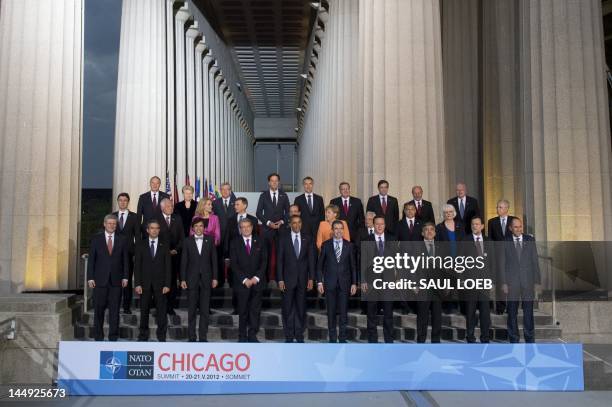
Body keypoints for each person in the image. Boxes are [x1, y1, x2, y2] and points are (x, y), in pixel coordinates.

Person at [87, 214, 129, 341]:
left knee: (114, 311)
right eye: (109, 223)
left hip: (116, 281)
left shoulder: (122, 240)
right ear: (104, 224)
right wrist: (90, 277)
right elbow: (92, 260)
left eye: (114, 224)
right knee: (98, 310)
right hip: (100, 281)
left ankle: (113, 337)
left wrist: (126, 277)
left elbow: (125, 260)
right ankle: (98, 337)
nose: (112, 225)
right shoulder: (96, 239)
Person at [317, 221, 357, 343]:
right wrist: (319, 282)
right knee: (331, 312)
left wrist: (354, 283)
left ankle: (343, 337)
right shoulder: (326, 245)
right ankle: (333, 338)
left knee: (344, 313)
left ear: (343, 230)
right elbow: (319, 266)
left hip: (345, 284)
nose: (338, 231)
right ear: (332, 230)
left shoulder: (349, 246)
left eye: (341, 228)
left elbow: (353, 267)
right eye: (336, 228)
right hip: (330, 284)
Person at [502, 218, 541, 343]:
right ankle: (514, 338)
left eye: (520, 227)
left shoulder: (530, 240)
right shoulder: (505, 242)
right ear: (510, 228)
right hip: (512, 283)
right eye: (515, 227)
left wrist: (537, 282)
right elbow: (502, 264)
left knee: (528, 312)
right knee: (512, 312)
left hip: (528, 282)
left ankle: (529, 338)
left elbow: (535, 261)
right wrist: (504, 283)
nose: (518, 229)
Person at [277, 215, 316, 343]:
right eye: (294, 223)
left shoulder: (308, 238)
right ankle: (288, 335)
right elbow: (280, 261)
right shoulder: (283, 239)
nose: (297, 225)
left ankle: (299, 334)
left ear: (301, 223)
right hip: (287, 280)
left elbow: (311, 260)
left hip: (303, 279)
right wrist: (280, 279)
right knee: (287, 308)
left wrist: (311, 278)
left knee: (301, 308)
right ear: (290, 224)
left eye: (299, 222)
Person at [180, 218, 218, 342]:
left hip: (207, 279)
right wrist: (183, 279)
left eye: (201, 226)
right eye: (196, 226)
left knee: (205, 310)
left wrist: (215, 277)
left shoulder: (210, 240)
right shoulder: (187, 241)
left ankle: (203, 337)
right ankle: (191, 337)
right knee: (191, 310)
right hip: (191, 279)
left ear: (204, 227)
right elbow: (184, 261)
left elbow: (214, 260)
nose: (198, 228)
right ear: (192, 228)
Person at [230, 218, 268, 342]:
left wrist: (256, 278)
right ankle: (242, 336)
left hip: (257, 282)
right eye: (243, 227)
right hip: (242, 284)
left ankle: (252, 335)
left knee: (255, 311)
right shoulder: (234, 242)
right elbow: (234, 264)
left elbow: (264, 262)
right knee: (243, 311)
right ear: (240, 229)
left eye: (248, 226)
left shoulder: (261, 241)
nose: (245, 229)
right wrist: (245, 279)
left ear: (252, 227)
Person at [134, 219, 171, 342]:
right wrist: (137, 283)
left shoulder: (165, 245)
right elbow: (137, 266)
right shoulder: (141, 244)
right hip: (144, 284)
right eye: (152, 228)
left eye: (157, 228)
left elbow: (168, 266)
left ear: (159, 230)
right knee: (144, 310)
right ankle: (143, 335)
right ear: (147, 230)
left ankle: (162, 335)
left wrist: (167, 284)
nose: (154, 230)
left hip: (161, 285)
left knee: (161, 311)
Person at [361, 216, 396, 343]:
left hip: (388, 281)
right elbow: (363, 261)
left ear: (385, 225)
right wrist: (363, 280)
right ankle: (372, 340)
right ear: (373, 225)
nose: (379, 226)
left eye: (382, 224)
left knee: (388, 313)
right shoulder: (366, 240)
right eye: (377, 224)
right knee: (371, 313)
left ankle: (389, 339)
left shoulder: (392, 240)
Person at [459, 216, 493, 343]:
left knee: (485, 311)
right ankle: (470, 337)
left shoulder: (488, 241)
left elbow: (492, 263)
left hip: (484, 282)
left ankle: (485, 337)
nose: (475, 226)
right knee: (470, 310)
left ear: (482, 226)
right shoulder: (465, 240)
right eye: (473, 224)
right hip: (470, 281)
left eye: (477, 224)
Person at [224, 197, 258, 314]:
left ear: (244, 205)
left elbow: (257, 239)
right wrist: (227, 256)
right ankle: (236, 308)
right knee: (236, 283)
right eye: (235, 204)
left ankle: (249, 307)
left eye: (237, 204)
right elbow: (227, 238)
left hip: (250, 257)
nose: (235, 206)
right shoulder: (230, 219)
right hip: (235, 257)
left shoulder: (253, 219)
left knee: (250, 285)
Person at [414, 223, 446, 343]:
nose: (429, 232)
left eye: (432, 230)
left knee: (437, 317)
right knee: (422, 317)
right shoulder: (416, 247)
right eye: (426, 230)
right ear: (422, 233)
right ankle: (421, 342)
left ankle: (435, 342)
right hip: (422, 287)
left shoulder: (441, 247)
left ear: (435, 233)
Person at [256, 172, 290, 282]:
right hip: (267, 230)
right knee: (266, 256)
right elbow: (258, 213)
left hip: (281, 230)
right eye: (272, 181)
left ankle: (280, 279)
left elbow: (288, 212)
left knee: (282, 255)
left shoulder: (284, 195)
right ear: (269, 182)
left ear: (279, 182)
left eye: (276, 181)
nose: (274, 183)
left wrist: (281, 221)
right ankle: (265, 280)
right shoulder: (263, 195)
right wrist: (269, 223)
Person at [487, 199, 516, 314]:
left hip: (512, 255)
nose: (498, 209)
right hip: (498, 256)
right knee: (500, 281)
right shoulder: (492, 222)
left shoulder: (514, 220)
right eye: (497, 207)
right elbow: (490, 240)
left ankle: (511, 307)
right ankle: (500, 307)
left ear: (507, 209)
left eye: (500, 207)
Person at [157, 199, 185, 315]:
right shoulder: (155, 219)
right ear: (162, 207)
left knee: (172, 281)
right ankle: (160, 306)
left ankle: (170, 306)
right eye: (168, 206)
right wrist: (164, 251)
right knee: (160, 281)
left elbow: (182, 238)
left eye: (172, 206)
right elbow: (153, 237)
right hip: (160, 256)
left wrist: (176, 249)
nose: (171, 207)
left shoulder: (177, 218)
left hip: (174, 256)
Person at [436, 204, 464, 314]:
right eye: (446, 212)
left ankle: (460, 306)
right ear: (443, 214)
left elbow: (464, 243)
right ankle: (448, 306)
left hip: (459, 258)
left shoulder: (460, 226)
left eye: (450, 212)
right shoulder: (439, 227)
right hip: (445, 259)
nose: (448, 214)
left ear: (454, 213)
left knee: (459, 283)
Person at [113, 193, 138, 314]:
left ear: (128, 202)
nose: (122, 202)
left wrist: (136, 253)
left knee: (127, 280)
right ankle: (115, 305)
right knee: (114, 280)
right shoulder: (112, 216)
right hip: (114, 254)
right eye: (120, 200)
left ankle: (126, 307)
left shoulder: (134, 217)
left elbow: (138, 236)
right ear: (117, 201)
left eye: (125, 200)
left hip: (129, 253)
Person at [212, 182, 236, 287]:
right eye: (223, 189)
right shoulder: (215, 203)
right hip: (219, 236)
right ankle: (220, 281)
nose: (225, 191)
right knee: (219, 259)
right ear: (220, 191)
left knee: (233, 259)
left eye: (227, 189)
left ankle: (232, 281)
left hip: (233, 236)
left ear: (230, 190)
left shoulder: (236, 202)